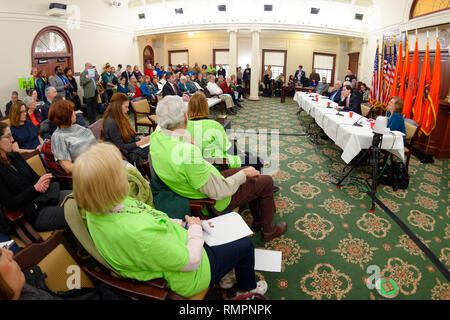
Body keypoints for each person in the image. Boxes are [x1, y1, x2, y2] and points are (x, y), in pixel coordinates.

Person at [72, 142, 268, 298]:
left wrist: (183, 224)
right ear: (113, 184)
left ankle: (226, 278)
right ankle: (247, 290)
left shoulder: (98, 207)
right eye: (120, 171)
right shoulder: (139, 233)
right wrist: (194, 230)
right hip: (191, 273)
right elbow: (191, 261)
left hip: (176, 243)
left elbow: (153, 217)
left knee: (223, 237)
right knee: (244, 246)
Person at [150, 96, 287, 241]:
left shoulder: (156, 138)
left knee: (252, 172)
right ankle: (268, 230)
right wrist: (243, 174)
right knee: (265, 181)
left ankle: (259, 221)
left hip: (201, 181)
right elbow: (220, 191)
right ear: (185, 117)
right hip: (213, 199)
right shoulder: (187, 152)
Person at [0, 122, 69, 232]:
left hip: (45, 198)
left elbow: (35, 177)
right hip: (33, 213)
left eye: (11, 135)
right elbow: (12, 203)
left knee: (82, 197)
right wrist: (35, 188)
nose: (12, 140)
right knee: (76, 211)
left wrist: (44, 180)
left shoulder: (15, 156)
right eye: (8, 136)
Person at [102, 93, 149, 174]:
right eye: (126, 107)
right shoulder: (112, 122)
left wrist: (141, 138)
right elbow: (120, 146)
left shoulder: (119, 116)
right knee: (153, 148)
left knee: (153, 144)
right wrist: (140, 142)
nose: (128, 110)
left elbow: (128, 135)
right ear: (117, 106)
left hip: (129, 144)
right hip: (124, 151)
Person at [49, 99, 96, 174]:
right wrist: (93, 167)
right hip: (86, 174)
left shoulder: (78, 127)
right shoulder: (58, 137)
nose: (75, 113)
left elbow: (95, 145)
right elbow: (68, 167)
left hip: (98, 162)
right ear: (64, 116)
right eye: (71, 111)